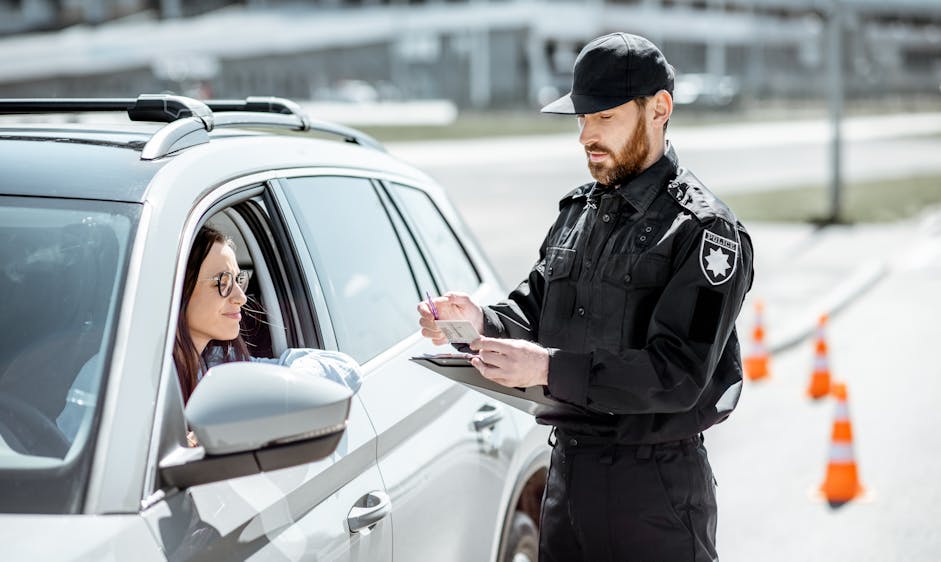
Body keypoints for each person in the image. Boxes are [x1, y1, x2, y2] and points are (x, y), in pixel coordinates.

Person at [418, 32, 753, 561]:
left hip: (654, 493)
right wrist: (481, 320)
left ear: (659, 110)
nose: (585, 137)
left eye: (604, 118)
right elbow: (534, 310)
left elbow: (677, 375)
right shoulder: (578, 212)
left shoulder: (703, 232)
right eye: (581, 119)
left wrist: (549, 369)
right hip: (567, 479)